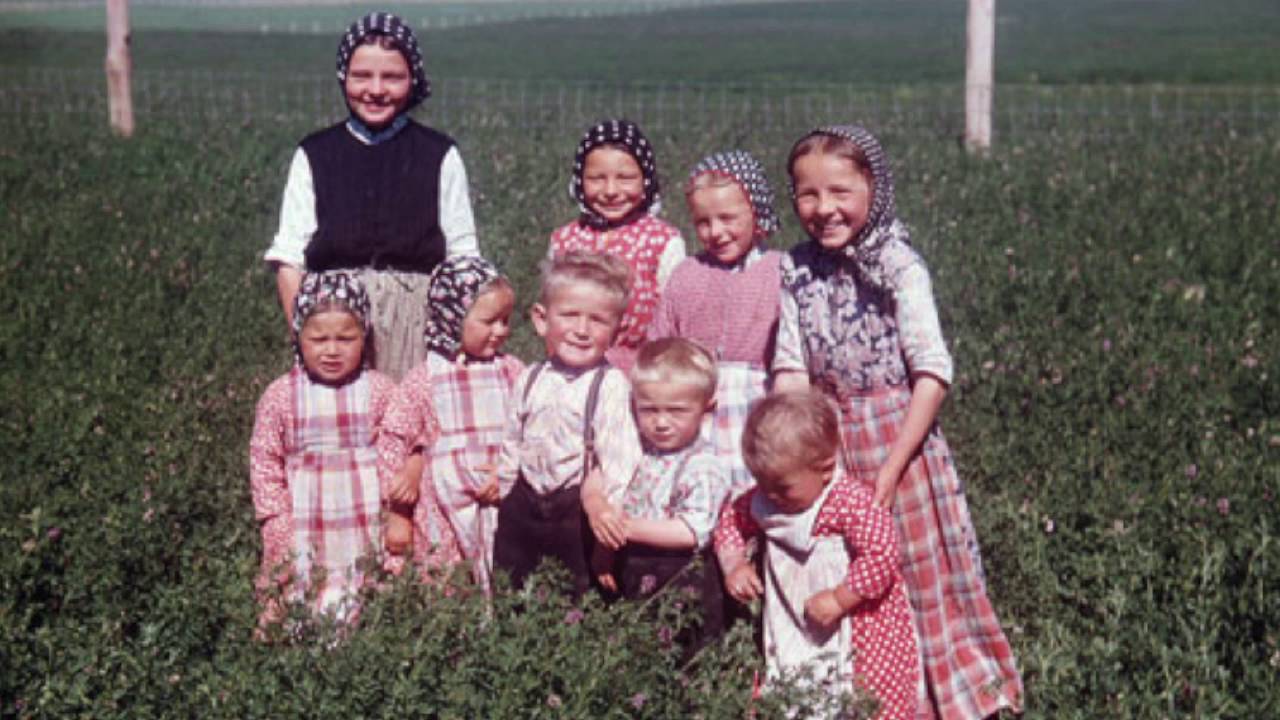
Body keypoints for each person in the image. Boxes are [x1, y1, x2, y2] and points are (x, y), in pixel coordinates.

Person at [774, 124, 1023, 718]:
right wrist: (798, 444)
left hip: (897, 442)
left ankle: (942, 698)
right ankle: (859, 697)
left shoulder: (899, 265)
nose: (824, 208)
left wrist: (891, 468)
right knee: (840, 568)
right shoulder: (795, 268)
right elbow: (790, 366)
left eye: (840, 192)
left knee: (912, 570)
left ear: (874, 189)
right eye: (808, 194)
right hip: (828, 442)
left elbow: (931, 372)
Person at [263, 11, 479, 380]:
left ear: (413, 80)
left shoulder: (439, 154)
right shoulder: (315, 154)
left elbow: (463, 257)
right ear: (343, 77)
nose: (376, 89)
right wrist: (307, 335)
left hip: (418, 327)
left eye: (392, 77)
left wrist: (458, 337)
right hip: (334, 328)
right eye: (362, 75)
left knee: (411, 415)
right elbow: (290, 259)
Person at [714, 391, 920, 720]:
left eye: (782, 487)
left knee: (864, 696)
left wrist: (840, 598)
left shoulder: (848, 501)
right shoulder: (763, 500)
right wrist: (734, 564)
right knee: (793, 689)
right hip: (790, 619)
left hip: (856, 622)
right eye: (762, 483)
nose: (770, 495)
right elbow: (730, 522)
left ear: (825, 469)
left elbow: (882, 553)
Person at [491, 251, 644, 596]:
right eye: (570, 315)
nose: (581, 330)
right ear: (541, 319)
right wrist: (505, 492)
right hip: (524, 502)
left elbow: (620, 463)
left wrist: (606, 530)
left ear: (616, 330)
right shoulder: (531, 377)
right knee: (511, 587)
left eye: (597, 320)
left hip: (575, 512)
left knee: (574, 594)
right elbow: (512, 440)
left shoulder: (610, 385)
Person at [248, 271, 395, 631]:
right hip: (303, 521)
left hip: (365, 520)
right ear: (299, 336)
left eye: (346, 338)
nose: (331, 350)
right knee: (301, 596)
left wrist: (395, 512)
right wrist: (275, 520)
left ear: (364, 336)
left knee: (368, 594)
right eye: (319, 339)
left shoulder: (379, 390)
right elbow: (265, 460)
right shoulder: (281, 395)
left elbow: (395, 450)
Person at [377, 257, 523, 593]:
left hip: (498, 497)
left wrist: (509, 471)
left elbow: (531, 431)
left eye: (505, 320)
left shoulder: (513, 371)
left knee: (504, 574)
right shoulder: (424, 378)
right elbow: (394, 441)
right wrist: (398, 511)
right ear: (452, 318)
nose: (501, 330)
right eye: (489, 321)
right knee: (446, 581)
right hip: (440, 507)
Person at [648, 149, 783, 498]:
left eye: (727, 218)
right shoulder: (687, 274)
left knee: (758, 491)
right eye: (703, 222)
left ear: (757, 212)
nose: (716, 232)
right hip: (696, 406)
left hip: (758, 405)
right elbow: (659, 345)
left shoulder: (779, 272)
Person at [590, 338, 730, 649]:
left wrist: (624, 527)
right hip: (632, 563)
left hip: (682, 574)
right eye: (649, 410)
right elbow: (599, 476)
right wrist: (597, 508)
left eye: (677, 411)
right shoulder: (636, 448)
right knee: (634, 646)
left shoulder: (703, 465)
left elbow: (692, 531)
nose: (661, 422)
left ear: (707, 409)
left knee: (685, 649)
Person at [547, 119, 686, 371]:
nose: (611, 190)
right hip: (570, 371)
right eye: (597, 178)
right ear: (579, 180)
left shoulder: (662, 241)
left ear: (646, 180)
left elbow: (676, 317)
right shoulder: (564, 240)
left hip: (640, 372)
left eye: (625, 178)